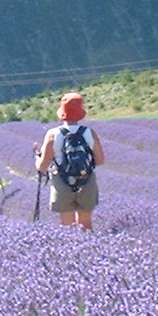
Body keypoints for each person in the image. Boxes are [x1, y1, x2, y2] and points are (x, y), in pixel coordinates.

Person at [35, 92, 105, 231]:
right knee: (86, 225)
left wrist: (37, 158)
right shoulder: (89, 132)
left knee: (67, 227)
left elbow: (42, 167)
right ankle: (89, 250)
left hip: (62, 181)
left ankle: (72, 250)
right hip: (86, 180)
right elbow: (101, 160)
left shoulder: (53, 134)